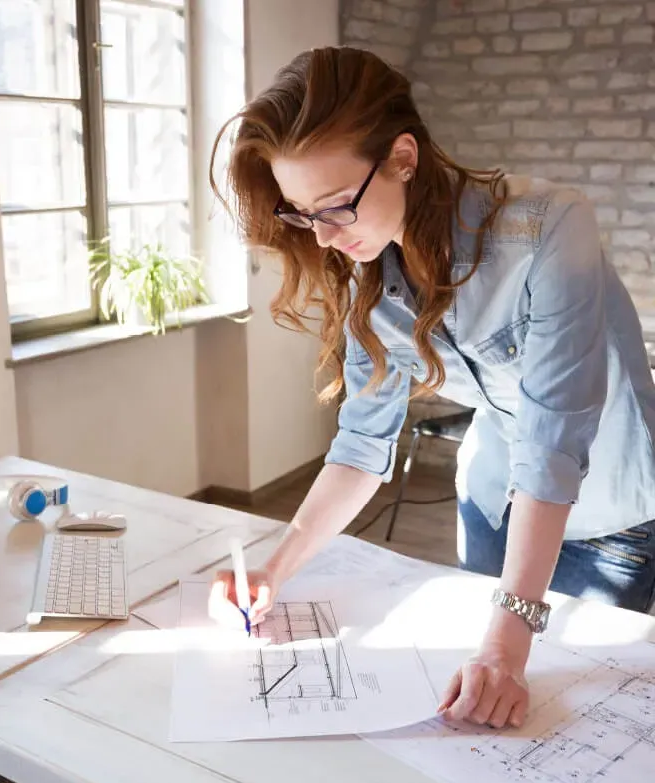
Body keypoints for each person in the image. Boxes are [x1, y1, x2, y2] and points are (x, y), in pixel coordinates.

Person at [206, 45, 655, 730]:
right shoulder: (365, 268)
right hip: (492, 498)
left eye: (335, 207)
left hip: (611, 514)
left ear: (403, 158)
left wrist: (508, 640)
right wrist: (275, 568)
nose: (323, 237)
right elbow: (361, 444)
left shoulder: (550, 228)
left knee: (573, 722)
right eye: (302, 213)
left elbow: (553, 439)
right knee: (478, 720)